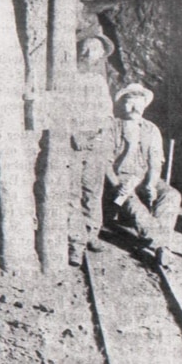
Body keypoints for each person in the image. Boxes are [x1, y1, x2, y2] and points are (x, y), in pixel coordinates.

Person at [105, 84, 182, 265]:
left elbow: (155, 162)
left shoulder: (150, 129)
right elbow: (105, 162)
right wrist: (116, 185)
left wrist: (150, 184)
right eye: (130, 102)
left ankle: (159, 240)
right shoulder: (112, 126)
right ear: (122, 104)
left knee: (171, 195)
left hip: (143, 177)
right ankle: (161, 246)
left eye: (139, 104)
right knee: (133, 204)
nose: (135, 108)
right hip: (120, 178)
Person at [67, 34, 115, 266]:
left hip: (95, 143)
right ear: (79, 51)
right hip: (72, 142)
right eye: (86, 48)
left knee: (93, 191)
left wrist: (98, 136)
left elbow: (107, 113)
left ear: (100, 56)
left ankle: (91, 234)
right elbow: (62, 110)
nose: (89, 54)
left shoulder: (98, 82)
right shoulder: (67, 78)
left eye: (95, 50)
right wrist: (74, 133)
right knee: (72, 192)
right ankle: (76, 243)